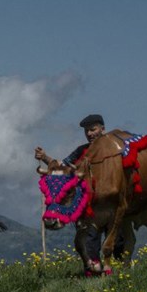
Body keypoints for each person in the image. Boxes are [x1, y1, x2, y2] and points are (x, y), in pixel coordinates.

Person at [35, 114, 124, 268]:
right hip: (89, 206)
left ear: (102, 129)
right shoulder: (81, 151)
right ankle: (94, 272)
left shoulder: (114, 150)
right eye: (86, 131)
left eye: (92, 129)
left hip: (111, 202)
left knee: (117, 238)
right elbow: (62, 166)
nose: (89, 134)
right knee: (90, 239)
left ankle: (122, 270)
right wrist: (45, 157)